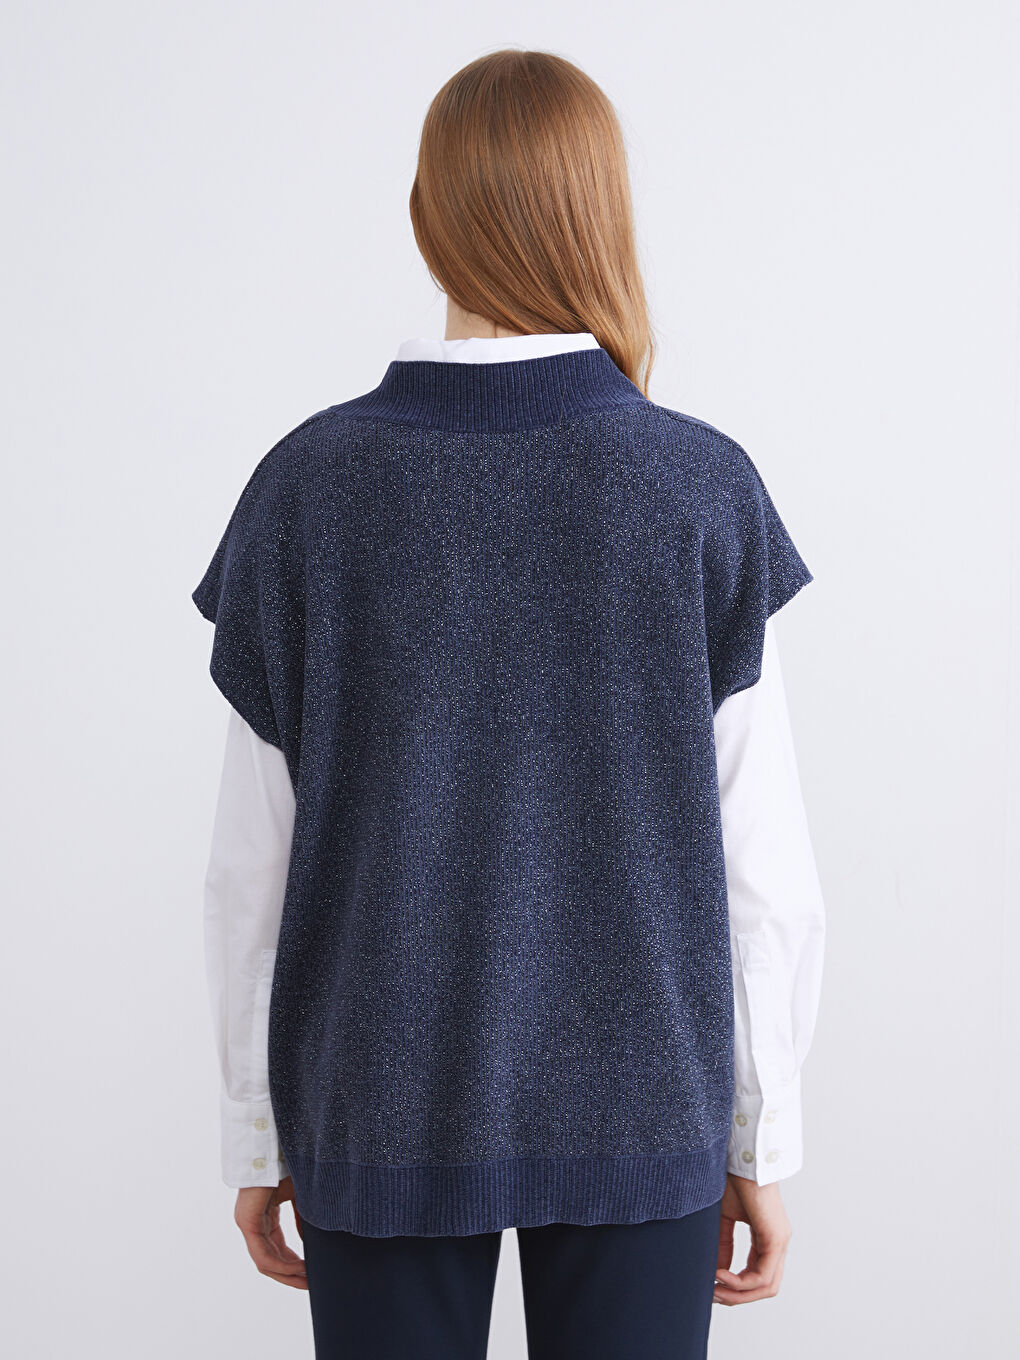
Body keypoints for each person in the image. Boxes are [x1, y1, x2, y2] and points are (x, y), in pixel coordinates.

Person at [193, 48, 825, 1360]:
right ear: (603, 212)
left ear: (425, 216)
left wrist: (257, 1131)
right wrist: (761, 1134)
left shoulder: (306, 489)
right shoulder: (695, 488)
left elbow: (253, 867)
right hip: (645, 1102)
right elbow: (760, 867)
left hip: (376, 1103)